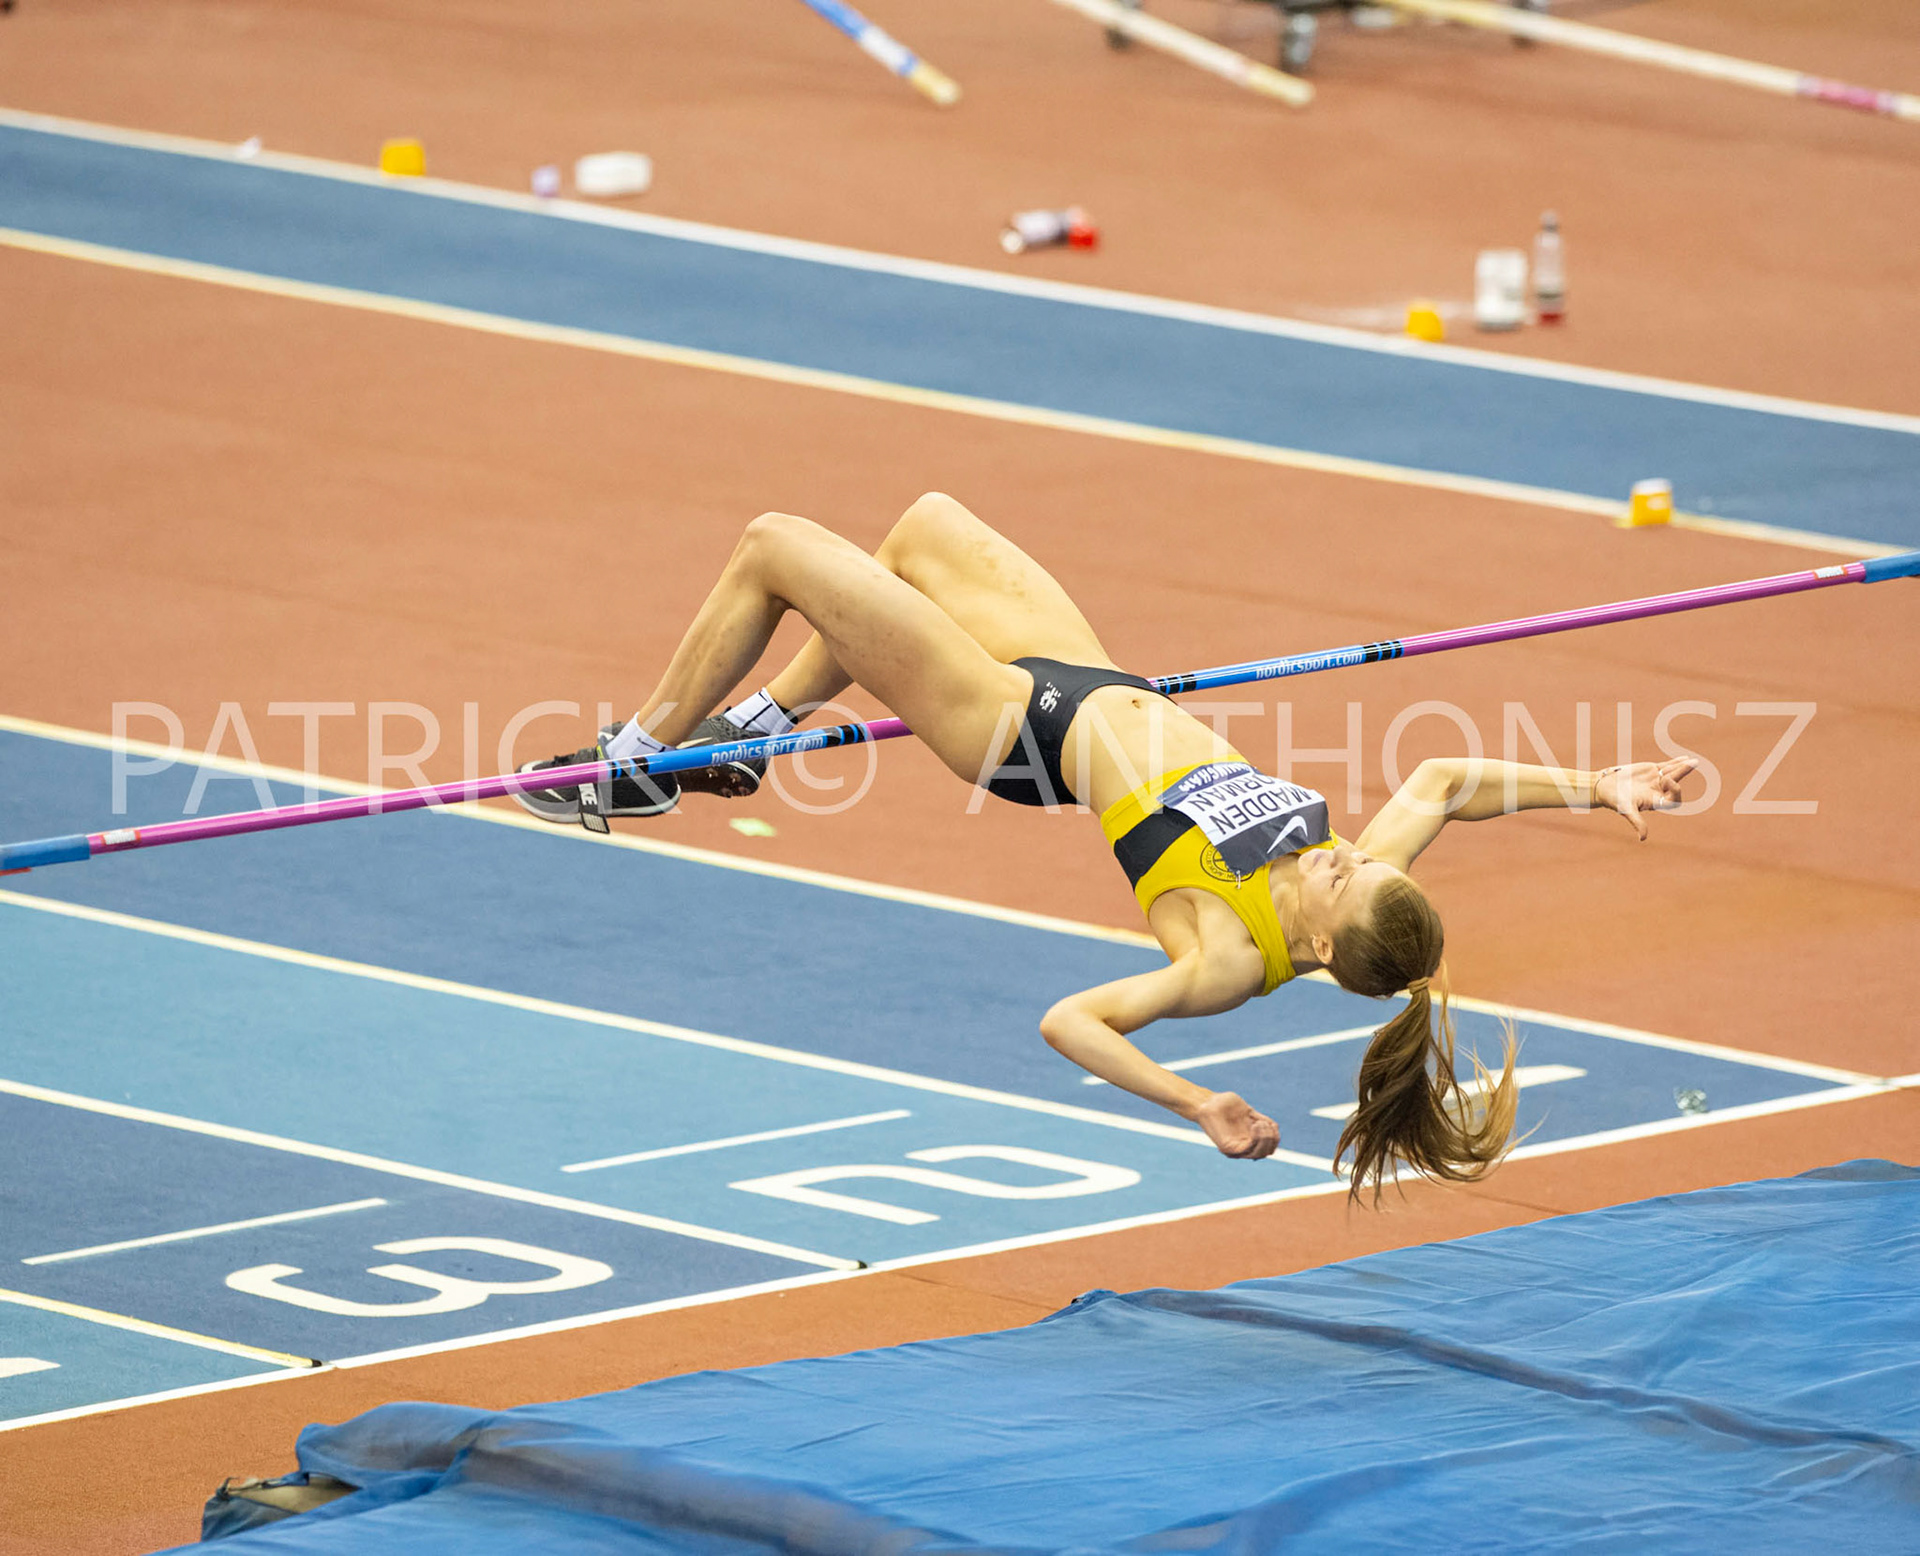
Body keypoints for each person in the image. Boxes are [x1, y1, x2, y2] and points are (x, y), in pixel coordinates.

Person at [515, 494, 1695, 1200]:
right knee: (921, 530)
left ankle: (636, 767)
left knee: (778, 546)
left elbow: (1070, 1021)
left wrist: (1193, 1101)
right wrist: (1597, 783)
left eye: (1347, 869)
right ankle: (751, 736)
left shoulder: (1231, 956)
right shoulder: (1353, 883)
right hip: (1086, 671)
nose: (1346, 846)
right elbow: (1445, 779)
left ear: (1326, 943)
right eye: (1361, 854)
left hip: (1018, 732)